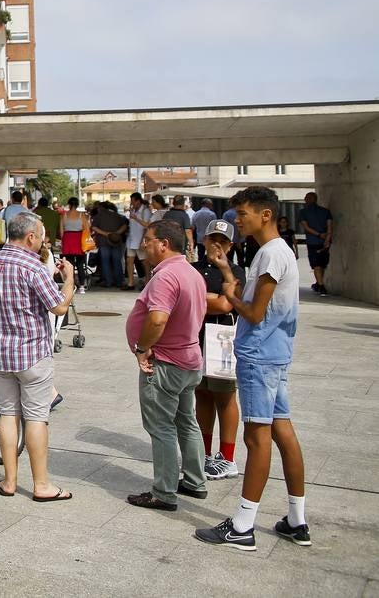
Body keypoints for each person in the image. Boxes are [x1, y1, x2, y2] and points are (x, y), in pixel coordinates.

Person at [196, 187, 310, 551]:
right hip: (274, 354)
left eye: (242, 213)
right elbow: (257, 299)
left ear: (265, 215)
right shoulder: (274, 253)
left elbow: (255, 313)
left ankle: (243, 526)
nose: (237, 220)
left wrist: (228, 297)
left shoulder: (272, 254)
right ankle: (296, 519)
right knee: (281, 429)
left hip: (259, 355)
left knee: (256, 436)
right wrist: (228, 271)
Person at [0, 211, 75, 501]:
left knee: (8, 414)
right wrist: (68, 279)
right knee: (36, 418)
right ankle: (41, 485)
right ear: (31, 236)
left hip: (1, 352)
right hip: (32, 353)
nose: (44, 241)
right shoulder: (33, 267)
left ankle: (9, 481)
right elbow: (58, 307)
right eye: (42, 235)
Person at [125, 219, 208, 511]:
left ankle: (163, 491)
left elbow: (157, 319)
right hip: (189, 360)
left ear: (164, 244)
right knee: (186, 421)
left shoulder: (166, 277)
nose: (143, 244)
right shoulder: (191, 273)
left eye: (148, 239)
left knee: (161, 427)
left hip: (165, 363)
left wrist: (143, 348)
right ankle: (195, 480)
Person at [193, 220, 246, 481]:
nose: (217, 245)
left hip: (223, 339)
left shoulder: (236, 270)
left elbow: (228, 304)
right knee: (201, 394)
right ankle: (203, 453)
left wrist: (224, 270)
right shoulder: (193, 269)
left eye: (223, 241)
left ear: (231, 245)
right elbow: (188, 299)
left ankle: (227, 457)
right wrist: (214, 300)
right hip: (195, 337)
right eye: (212, 238)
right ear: (203, 240)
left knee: (225, 397)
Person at [298, 191, 333, 296]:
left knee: (316, 265)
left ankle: (321, 286)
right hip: (325, 242)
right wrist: (327, 239)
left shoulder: (303, 212)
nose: (305, 199)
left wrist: (318, 235)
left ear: (310, 199)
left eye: (306, 198)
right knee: (322, 264)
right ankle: (318, 283)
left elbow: (306, 227)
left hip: (313, 241)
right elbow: (330, 226)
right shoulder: (326, 211)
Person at [90, 201, 127, 288]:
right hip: (116, 241)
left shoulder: (98, 216)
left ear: (101, 208)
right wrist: (116, 233)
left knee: (105, 262)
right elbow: (125, 225)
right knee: (117, 262)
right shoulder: (117, 215)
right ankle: (119, 282)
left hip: (103, 242)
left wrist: (106, 234)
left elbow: (94, 227)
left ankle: (108, 282)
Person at [59, 197, 89, 294]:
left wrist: (62, 242)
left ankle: (71, 285)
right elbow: (86, 229)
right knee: (80, 264)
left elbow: (61, 232)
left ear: (69, 204)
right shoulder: (82, 215)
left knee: (69, 264)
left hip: (68, 239)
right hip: (79, 239)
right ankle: (82, 286)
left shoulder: (64, 215)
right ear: (77, 204)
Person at [125, 193, 153, 290]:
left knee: (145, 262)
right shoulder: (133, 210)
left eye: (133, 201)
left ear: (138, 201)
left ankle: (147, 282)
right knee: (129, 260)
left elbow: (147, 225)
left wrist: (136, 218)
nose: (132, 204)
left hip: (141, 239)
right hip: (131, 239)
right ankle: (130, 282)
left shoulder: (145, 211)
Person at [192, 199, 217, 263]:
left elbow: (193, 227)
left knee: (200, 256)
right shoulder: (212, 214)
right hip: (210, 238)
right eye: (211, 205)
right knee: (210, 255)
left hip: (199, 238)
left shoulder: (195, 214)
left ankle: (201, 269)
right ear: (208, 205)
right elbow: (215, 228)